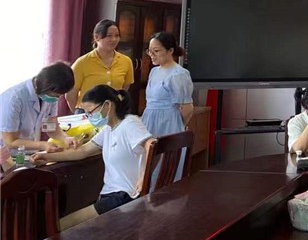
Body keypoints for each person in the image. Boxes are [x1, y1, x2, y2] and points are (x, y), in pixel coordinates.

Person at [32, 84, 154, 229]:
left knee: (61, 226)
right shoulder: (108, 129)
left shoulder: (130, 123)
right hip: (112, 195)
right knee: (58, 224)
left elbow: (151, 144)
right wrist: (46, 158)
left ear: (107, 105)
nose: (89, 117)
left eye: (90, 112)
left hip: (125, 196)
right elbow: (82, 151)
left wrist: (143, 177)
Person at [141, 32, 193, 181]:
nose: (152, 55)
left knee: (163, 168)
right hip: (149, 120)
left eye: (156, 51)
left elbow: (187, 107)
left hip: (168, 123)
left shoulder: (178, 74)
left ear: (170, 51)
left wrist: (177, 126)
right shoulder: (154, 71)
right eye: (150, 51)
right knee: (145, 167)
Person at [0, 62, 77, 152]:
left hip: (30, 152)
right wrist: (42, 145)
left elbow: (50, 127)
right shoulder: (13, 99)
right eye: (56, 95)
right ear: (46, 87)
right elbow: (10, 141)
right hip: (8, 153)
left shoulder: (50, 96)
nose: (58, 98)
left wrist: (65, 138)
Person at [68, 19, 134, 112]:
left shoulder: (126, 61)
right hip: (87, 113)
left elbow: (124, 88)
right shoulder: (82, 62)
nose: (114, 39)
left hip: (113, 112)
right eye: (109, 36)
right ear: (96, 37)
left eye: (117, 36)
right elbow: (70, 94)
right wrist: (80, 114)